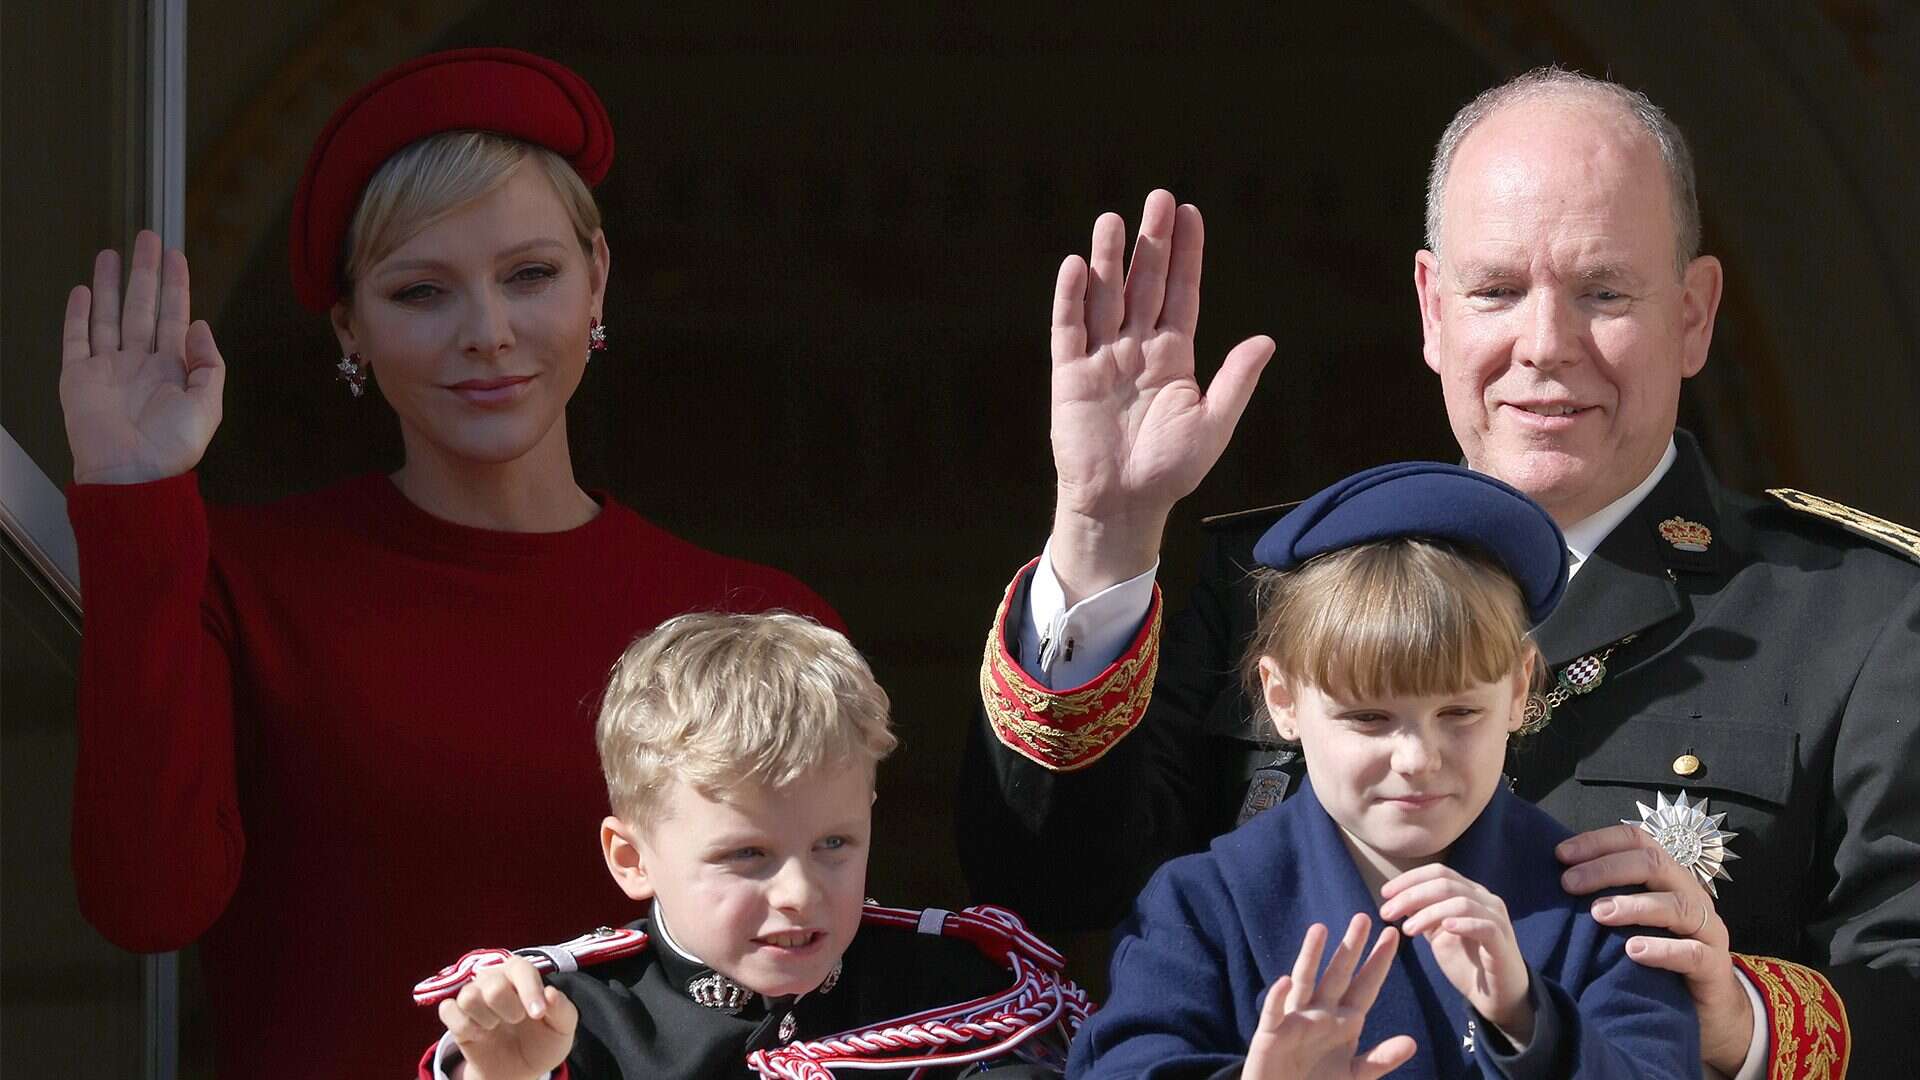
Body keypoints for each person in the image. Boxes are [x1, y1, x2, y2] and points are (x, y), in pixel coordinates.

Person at [963, 68, 1920, 1077]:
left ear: (1693, 313)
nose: (1544, 345)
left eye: (1604, 293)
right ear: (1431, 308)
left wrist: (1734, 1019)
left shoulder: (1862, 621)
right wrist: (1106, 530)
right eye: (1497, 292)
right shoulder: (1275, 584)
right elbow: (1048, 890)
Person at [60, 49, 837, 1077]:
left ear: (597, 277)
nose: (488, 331)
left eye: (530, 275)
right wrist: (135, 497)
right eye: (422, 292)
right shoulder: (250, 584)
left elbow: (814, 1002)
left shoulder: (755, 619)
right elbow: (145, 902)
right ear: (350, 326)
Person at [1071, 463, 1699, 1079]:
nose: (1418, 759)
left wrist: (1531, 1019)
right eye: (1369, 718)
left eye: (1459, 712)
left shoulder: (1598, 914)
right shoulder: (1203, 909)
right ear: (1282, 700)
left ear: (1518, 689)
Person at [415, 612, 1087, 1079]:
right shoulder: (577, 1022)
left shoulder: (957, 993)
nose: (798, 893)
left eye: (833, 842)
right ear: (630, 858)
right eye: (747, 856)